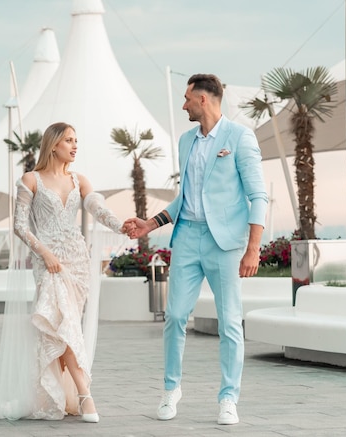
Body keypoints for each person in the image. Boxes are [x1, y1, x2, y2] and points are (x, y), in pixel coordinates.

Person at [126, 74, 268, 425]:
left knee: (230, 323)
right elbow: (187, 196)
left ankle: (228, 398)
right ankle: (171, 389)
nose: (183, 104)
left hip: (225, 244)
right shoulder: (186, 141)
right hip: (187, 238)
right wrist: (151, 223)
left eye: (187, 98)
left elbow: (258, 196)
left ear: (204, 99)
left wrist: (253, 249)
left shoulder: (240, 137)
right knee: (174, 316)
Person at [0, 122, 128, 423]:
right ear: (53, 145)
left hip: (77, 262)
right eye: (69, 141)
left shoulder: (79, 179)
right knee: (61, 326)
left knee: (67, 326)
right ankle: (85, 395)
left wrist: (121, 225)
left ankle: (62, 394)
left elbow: (96, 207)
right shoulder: (30, 179)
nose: (75, 146)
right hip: (48, 263)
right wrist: (45, 254)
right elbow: (20, 226)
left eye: (77, 140)